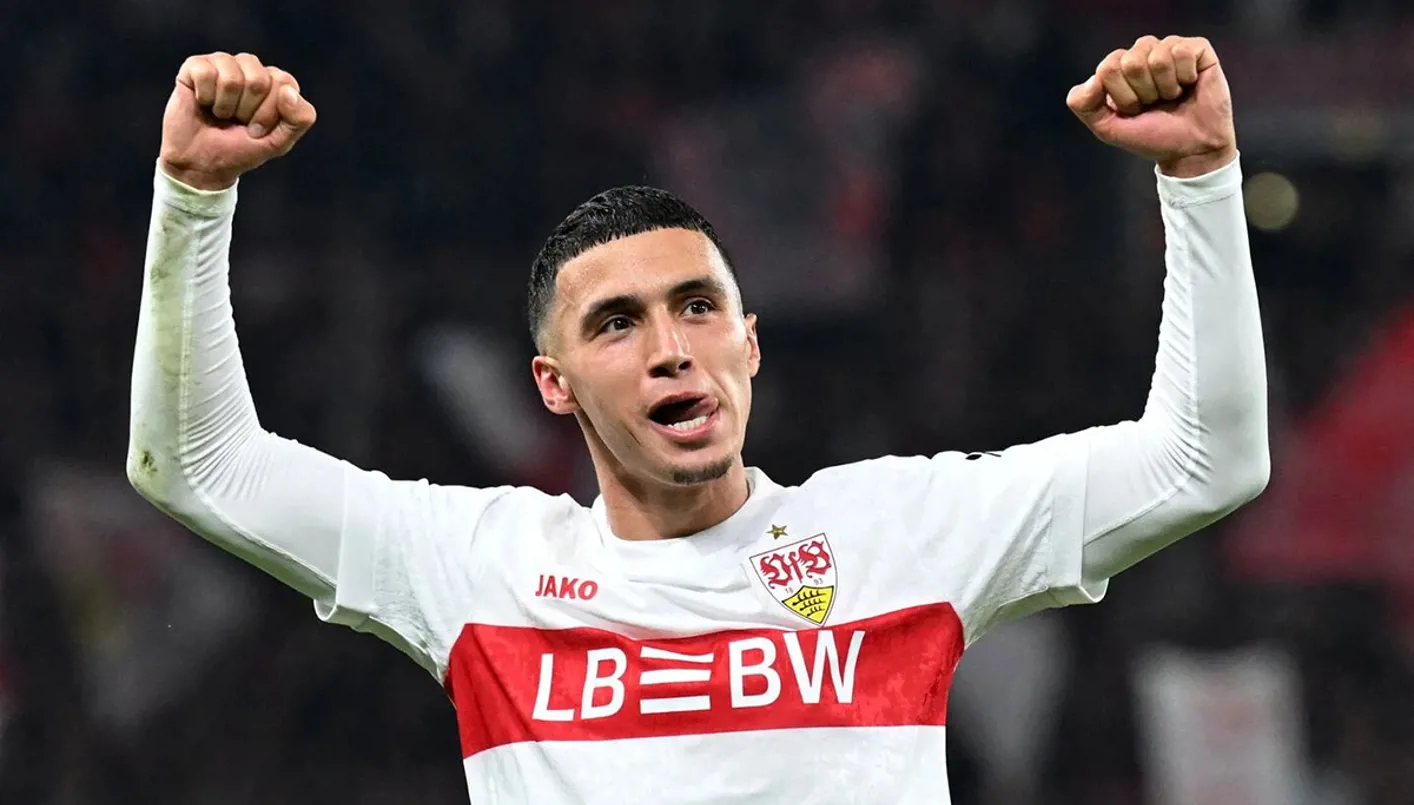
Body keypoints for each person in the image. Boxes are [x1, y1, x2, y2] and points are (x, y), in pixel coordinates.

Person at [128, 35, 1268, 804]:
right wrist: (193, 199)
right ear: (554, 385)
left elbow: (1204, 460)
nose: (671, 346)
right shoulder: (480, 567)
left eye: (697, 306)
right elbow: (197, 463)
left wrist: (1202, 178)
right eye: (617, 323)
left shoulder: (904, 534)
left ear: (749, 342)